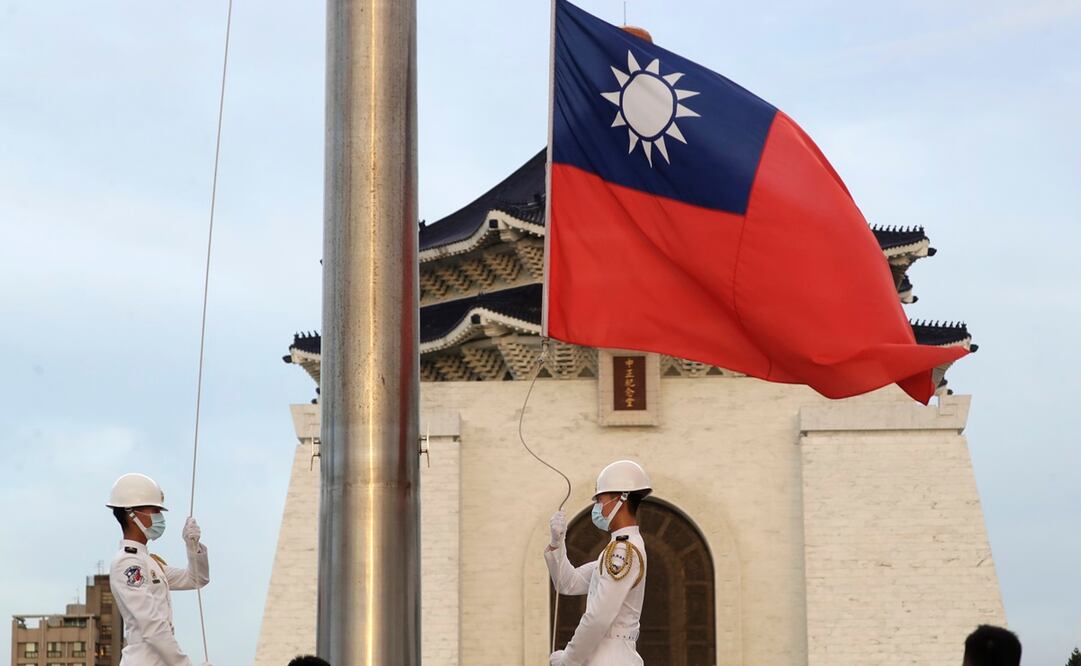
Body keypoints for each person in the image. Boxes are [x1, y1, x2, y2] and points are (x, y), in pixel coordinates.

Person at [546, 460, 651, 666]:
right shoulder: (616, 548)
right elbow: (568, 583)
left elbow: (598, 618)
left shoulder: (623, 550)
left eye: (600, 499)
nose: (597, 507)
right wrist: (557, 544)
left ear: (621, 498)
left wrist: (569, 659)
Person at [106, 473, 211, 666]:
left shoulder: (149, 562)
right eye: (154, 510)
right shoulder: (128, 563)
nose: (159, 517)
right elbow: (152, 626)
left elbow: (197, 579)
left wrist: (192, 545)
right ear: (132, 514)